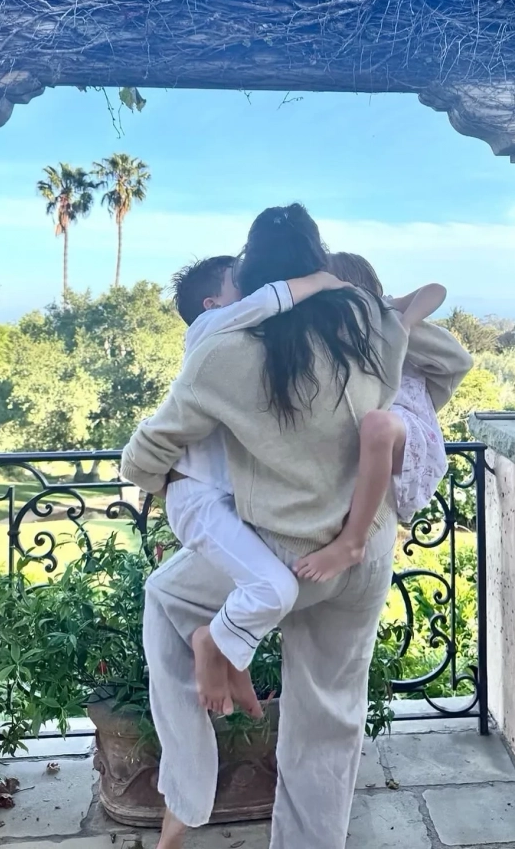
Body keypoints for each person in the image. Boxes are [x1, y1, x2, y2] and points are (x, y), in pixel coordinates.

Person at [121, 203, 472, 849]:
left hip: (287, 553)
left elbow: (143, 457)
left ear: (253, 275)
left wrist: (171, 483)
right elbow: (435, 353)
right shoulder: (362, 323)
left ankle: (189, 790)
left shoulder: (225, 352)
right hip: (364, 551)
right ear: (317, 263)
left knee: (167, 598)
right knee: (328, 723)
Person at [163, 255, 350, 715]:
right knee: (274, 589)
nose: (246, 287)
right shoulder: (205, 330)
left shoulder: (237, 344)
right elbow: (268, 299)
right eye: (236, 282)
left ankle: (231, 659)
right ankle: (210, 643)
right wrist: (322, 277)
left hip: (221, 500)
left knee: (258, 585)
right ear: (211, 305)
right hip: (198, 498)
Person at [294, 251, 450, 582]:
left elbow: (436, 290)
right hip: (384, 423)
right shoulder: (332, 334)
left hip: (408, 426)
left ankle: (354, 541)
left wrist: (403, 324)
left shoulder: (385, 314)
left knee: (377, 425)